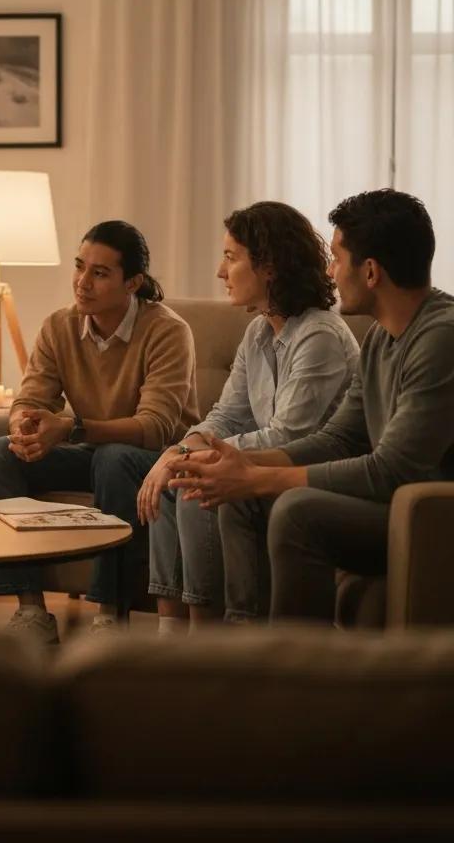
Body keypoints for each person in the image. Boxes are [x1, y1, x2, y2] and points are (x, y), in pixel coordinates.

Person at [167, 189, 454, 623]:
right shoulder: (379, 337)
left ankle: (300, 670)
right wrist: (237, 463)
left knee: (297, 511)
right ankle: (243, 644)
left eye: (338, 259)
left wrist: (263, 478)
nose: (331, 272)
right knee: (240, 498)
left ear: (371, 271)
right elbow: (340, 437)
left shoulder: (440, 339)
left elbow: (392, 469)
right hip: (394, 503)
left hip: (431, 516)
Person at [137, 202, 359, 630]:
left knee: (193, 484)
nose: (221, 272)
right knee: (175, 477)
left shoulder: (319, 335)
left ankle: (210, 637)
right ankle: (169, 634)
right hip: (267, 461)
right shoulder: (259, 330)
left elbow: (287, 435)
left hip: (303, 471)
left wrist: (189, 458)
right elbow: (226, 414)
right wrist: (179, 450)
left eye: (231, 257)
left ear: (270, 266)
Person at [0, 220, 199, 643]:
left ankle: (109, 614)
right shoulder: (59, 326)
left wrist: (70, 428)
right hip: (92, 452)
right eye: (80, 267)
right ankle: (31, 610)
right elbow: (31, 399)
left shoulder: (167, 331)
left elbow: (155, 428)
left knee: (114, 457)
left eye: (99, 273)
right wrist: (25, 428)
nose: (82, 282)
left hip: (158, 461)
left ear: (132, 282)